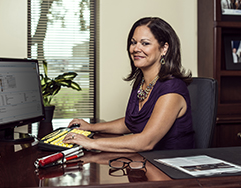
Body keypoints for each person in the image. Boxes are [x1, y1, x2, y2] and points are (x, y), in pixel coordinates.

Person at [63, 17, 194, 152]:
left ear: (164, 48)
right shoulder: (142, 82)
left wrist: (91, 143)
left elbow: (146, 142)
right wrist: (91, 127)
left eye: (145, 43)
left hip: (170, 165)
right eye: (133, 42)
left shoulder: (172, 90)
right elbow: (131, 123)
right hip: (146, 160)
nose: (136, 48)